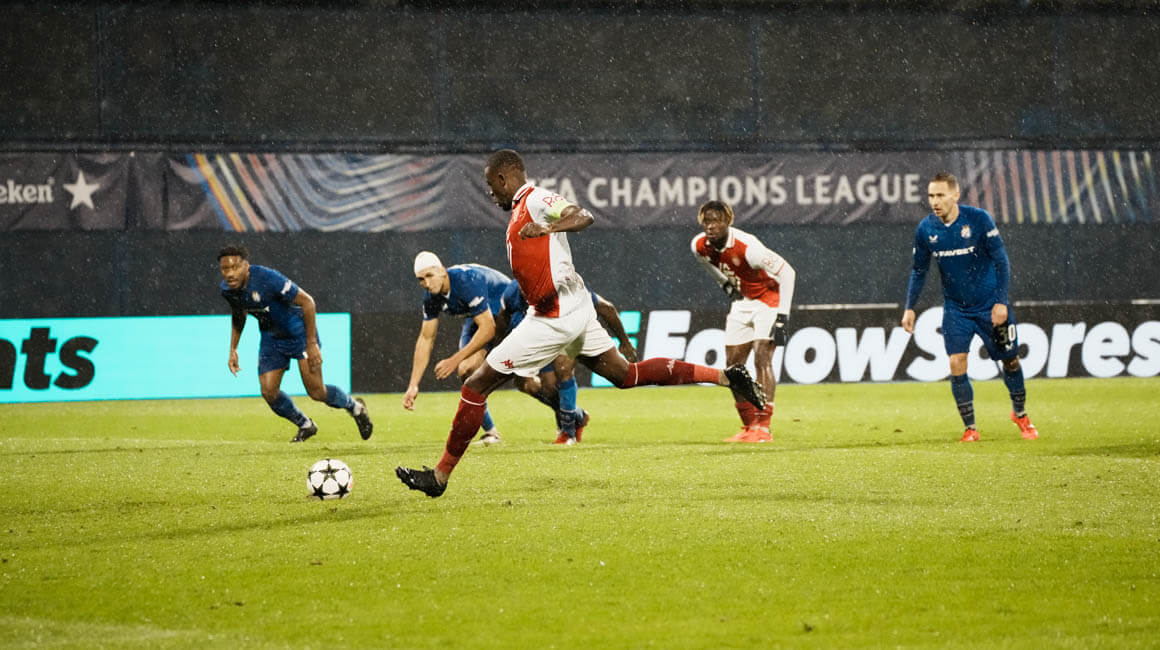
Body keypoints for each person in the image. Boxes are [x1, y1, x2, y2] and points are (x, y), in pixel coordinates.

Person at [395, 149, 766, 497]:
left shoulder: (535, 200)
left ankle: (439, 477)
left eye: (491, 185)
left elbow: (584, 215)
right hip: (572, 308)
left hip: (554, 315)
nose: (490, 194)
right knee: (626, 375)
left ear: (505, 178)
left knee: (476, 385)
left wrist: (548, 229)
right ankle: (726, 377)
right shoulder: (521, 208)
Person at [900, 172, 1039, 442]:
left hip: (990, 306)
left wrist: (1001, 302)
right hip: (956, 309)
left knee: (1010, 360)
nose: (935, 201)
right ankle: (971, 428)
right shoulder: (926, 229)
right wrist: (909, 307)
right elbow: (919, 270)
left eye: (940, 195)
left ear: (955, 195)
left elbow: (1001, 261)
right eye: (931, 196)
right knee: (956, 362)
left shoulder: (978, 220)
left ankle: (1020, 414)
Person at [218, 244, 372, 443]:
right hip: (271, 337)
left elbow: (308, 302)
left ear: (246, 266)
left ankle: (355, 408)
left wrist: (311, 343)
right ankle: (305, 424)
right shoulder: (227, 290)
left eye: (235, 267)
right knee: (268, 391)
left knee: (316, 392)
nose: (230, 273)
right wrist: (233, 348)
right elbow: (239, 315)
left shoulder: (268, 279)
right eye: (225, 269)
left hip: (299, 333)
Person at [691, 200, 796, 443]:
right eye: (707, 221)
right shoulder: (699, 246)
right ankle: (749, 426)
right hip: (743, 303)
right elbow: (707, 264)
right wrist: (725, 284)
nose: (711, 226)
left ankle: (763, 427)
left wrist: (783, 317)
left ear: (728, 221)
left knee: (762, 357)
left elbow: (788, 272)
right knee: (733, 368)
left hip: (769, 300)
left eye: (717, 220)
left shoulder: (748, 246)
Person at [497, 279, 640, 444]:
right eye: (523, 287)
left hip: (573, 330)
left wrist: (625, 342)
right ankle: (577, 416)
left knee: (563, 368)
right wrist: (499, 349)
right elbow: (502, 321)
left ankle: (567, 432)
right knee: (535, 385)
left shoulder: (562, 286)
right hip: (542, 337)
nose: (526, 292)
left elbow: (606, 308)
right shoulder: (512, 294)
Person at [403, 252, 510, 445]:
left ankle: (568, 422)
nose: (426, 283)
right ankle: (491, 432)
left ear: (442, 271)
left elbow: (488, 329)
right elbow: (425, 338)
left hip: (509, 314)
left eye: (429, 275)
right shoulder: (431, 298)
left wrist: (453, 360)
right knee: (467, 371)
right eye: (421, 279)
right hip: (480, 317)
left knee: (530, 383)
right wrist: (413, 385)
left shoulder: (466, 281)